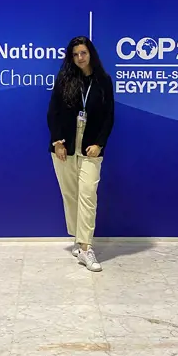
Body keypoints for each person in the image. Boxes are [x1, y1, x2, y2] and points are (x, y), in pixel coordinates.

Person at [48, 36, 116, 272]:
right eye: (75, 54)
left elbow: (109, 117)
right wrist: (57, 141)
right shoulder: (65, 79)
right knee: (71, 195)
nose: (79, 58)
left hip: (91, 146)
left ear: (91, 54)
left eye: (83, 53)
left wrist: (99, 143)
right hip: (65, 145)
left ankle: (86, 248)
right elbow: (52, 113)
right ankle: (79, 240)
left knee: (88, 194)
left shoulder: (103, 81)